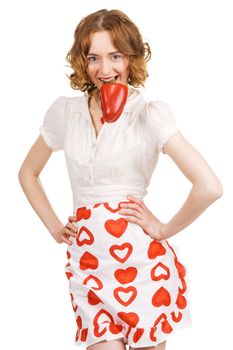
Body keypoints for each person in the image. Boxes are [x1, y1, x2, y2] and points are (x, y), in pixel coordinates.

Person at [18, 8, 223, 350]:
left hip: (143, 268)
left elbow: (210, 187)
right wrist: (55, 227)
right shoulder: (65, 113)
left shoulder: (150, 115)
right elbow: (27, 172)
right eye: (93, 57)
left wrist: (162, 229)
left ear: (130, 59)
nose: (105, 69)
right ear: (82, 62)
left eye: (115, 56)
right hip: (89, 265)